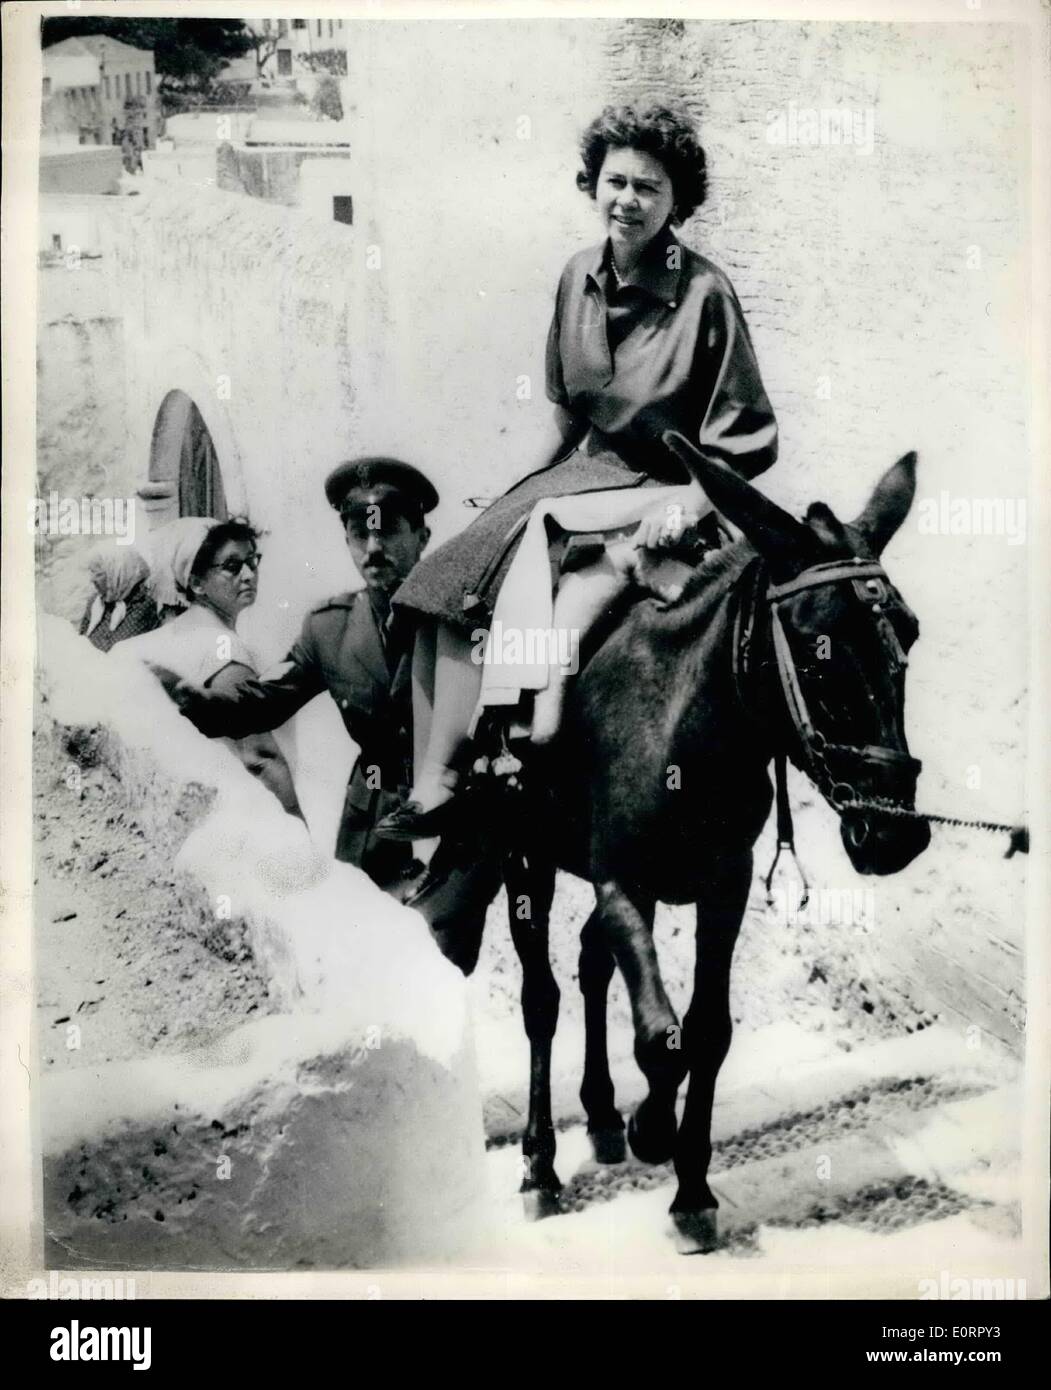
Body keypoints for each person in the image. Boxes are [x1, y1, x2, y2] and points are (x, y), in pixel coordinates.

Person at [380, 102, 779, 840]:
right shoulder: (576, 277)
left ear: (676, 203)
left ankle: (530, 728)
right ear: (592, 184)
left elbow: (745, 441)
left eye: (647, 189)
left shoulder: (705, 294)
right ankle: (436, 779)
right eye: (614, 182)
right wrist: (506, 490)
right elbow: (567, 414)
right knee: (447, 572)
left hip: (663, 488)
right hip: (584, 477)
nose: (627, 200)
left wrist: (688, 506)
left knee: (530, 547)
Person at [160, 459, 436, 891]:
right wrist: (199, 703)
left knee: (439, 945)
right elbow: (266, 700)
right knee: (357, 939)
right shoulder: (329, 628)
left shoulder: (453, 623)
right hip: (372, 820)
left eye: (388, 531)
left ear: (422, 537)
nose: (373, 548)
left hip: (451, 816)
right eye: (360, 535)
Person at [124, 516, 302, 819]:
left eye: (252, 561)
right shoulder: (223, 647)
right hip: (236, 815)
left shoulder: (151, 642)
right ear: (196, 583)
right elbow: (261, 757)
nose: (249, 575)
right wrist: (297, 825)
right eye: (232, 567)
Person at [78, 541, 160, 652]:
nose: (92, 579)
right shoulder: (95, 603)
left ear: (118, 574)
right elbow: (81, 641)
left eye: (98, 573)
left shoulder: (142, 608)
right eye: (92, 572)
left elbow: (116, 655)